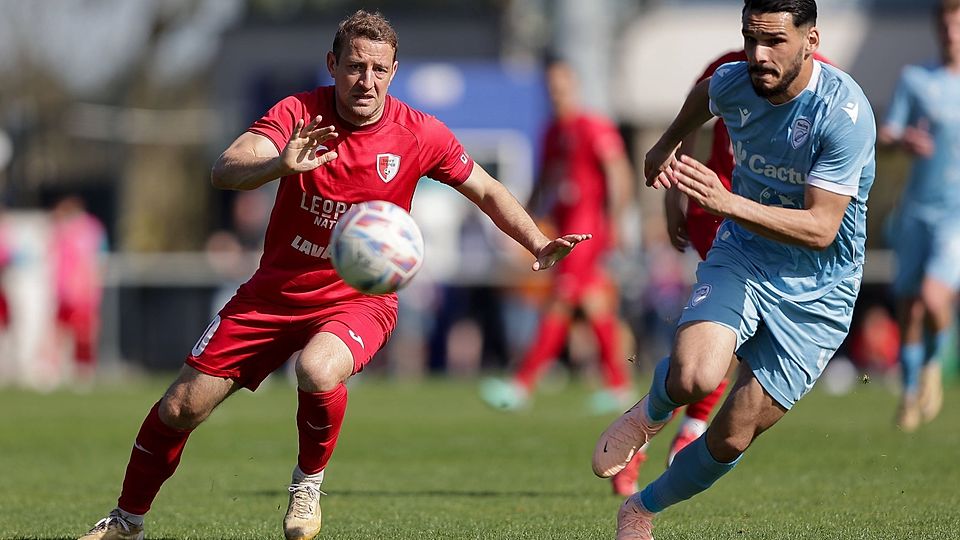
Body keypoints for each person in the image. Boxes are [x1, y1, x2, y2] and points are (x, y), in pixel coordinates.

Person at [78, 11, 590, 540]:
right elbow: (225, 168)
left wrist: (536, 240)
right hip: (272, 295)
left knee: (319, 370)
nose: (366, 80)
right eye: (354, 66)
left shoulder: (419, 133)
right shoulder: (298, 112)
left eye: (378, 69)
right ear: (332, 64)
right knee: (180, 407)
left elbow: (485, 189)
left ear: (393, 71)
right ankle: (126, 521)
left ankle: (307, 486)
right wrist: (279, 165)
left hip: (359, 301)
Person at [591, 1, 876, 537]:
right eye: (750, 39)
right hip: (743, 254)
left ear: (811, 40)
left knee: (731, 435)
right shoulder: (736, 81)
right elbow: (706, 93)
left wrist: (727, 204)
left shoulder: (844, 113)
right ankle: (646, 416)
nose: (758, 55)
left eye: (774, 42)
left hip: (821, 287)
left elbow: (821, 228)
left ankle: (641, 508)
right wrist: (665, 143)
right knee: (696, 374)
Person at [616, 47, 837, 494]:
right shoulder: (728, 70)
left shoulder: (827, 82)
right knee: (726, 332)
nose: (762, 46)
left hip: (772, 227)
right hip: (716, 215)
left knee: (724, 341)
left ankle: (672, 430)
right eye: (754, 32)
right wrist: (673, 193)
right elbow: (691, 122)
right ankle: (673, 432)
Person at [479, 57, 635, 417]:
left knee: (560, 301)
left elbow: (618, 173)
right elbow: (545, 183)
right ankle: (618, 384)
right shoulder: (552, 131)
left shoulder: (593, 126)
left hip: (587, 232)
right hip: (565, 230)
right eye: (551, 85)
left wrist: (616, 223)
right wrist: (521, 226)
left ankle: (522, 384)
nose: (556, 91)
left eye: (562, 83)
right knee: (594, 304)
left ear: (574, 84)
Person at [879, 0, 960, 432]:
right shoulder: (917, 79)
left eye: (957, 25)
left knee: (933, 298)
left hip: (957, 216)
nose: (951, 34)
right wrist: (901, 139)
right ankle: (910, 396)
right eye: (946, 25)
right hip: (915, 210)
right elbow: (887, 133)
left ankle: (933, 364)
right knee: (909, 307)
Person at [50, 195, 108, 385]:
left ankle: (84, 369)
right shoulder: (63, 231)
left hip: (82, 293)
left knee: (83, 332)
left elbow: (92, 262)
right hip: (65, 292)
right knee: (61, 331)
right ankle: (57, 368)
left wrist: (88, 285)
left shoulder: (89, 230)